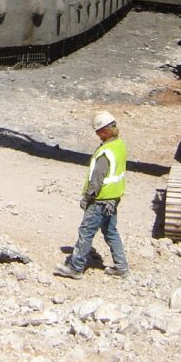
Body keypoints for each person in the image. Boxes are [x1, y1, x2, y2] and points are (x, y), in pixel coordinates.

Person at [54, 111, 129, 279]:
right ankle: (121, 267)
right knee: (111, 232)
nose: (96, 135)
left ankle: (76, 267)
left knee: (86, 232)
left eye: (97, 131)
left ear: (103, 131)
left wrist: (86, 198)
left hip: (100, 201)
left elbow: (97, 181)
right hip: (113, 199)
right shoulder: (119, 145)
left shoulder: (105, 153)